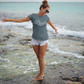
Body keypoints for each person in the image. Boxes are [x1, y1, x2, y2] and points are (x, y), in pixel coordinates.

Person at [1, 0, 58, 81]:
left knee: (41, 57)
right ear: (41, 8)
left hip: (43, 40)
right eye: (46, 10)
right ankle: (40, 73)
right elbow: (21, 20)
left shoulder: (46, 17)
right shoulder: (33, 16)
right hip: (35, 40)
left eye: (48, 11)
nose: (47, 12)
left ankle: (41, 75)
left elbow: (51, 24)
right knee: (38, 57)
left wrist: (55, 29)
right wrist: (9, 20)